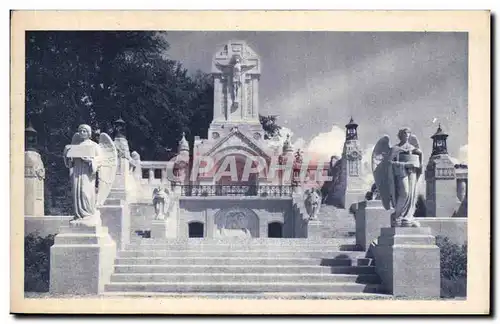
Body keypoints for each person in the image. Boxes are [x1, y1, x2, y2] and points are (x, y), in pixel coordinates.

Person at [63, 124, 101, 222]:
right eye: (80, 131)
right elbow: (70, 163)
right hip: (77, 172)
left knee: (85, 192)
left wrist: (90, 160)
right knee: (77, 192)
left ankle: (88, 214)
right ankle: (78, 215)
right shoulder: (75, 146)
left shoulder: (94, 145)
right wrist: (70, 158)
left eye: (84, 131)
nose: (82, 133)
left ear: (89, 133)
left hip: (87, 173)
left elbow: (100, 159)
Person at [388, 128, 422, 227]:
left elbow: (420, 164)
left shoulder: (413, 148)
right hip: (401, 172)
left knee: (412, 194)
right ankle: (397, 216)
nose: (406, 134)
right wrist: (404, 165)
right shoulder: (396, 148)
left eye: (408, 133)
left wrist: (420, 155)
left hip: (412, 172)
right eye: (404, 133)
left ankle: (408, 217)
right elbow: (389, 163)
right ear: (400, 135)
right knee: (405, 193)